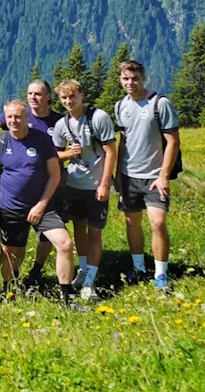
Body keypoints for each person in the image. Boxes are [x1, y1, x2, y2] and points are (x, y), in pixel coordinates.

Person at [0, 100, 77, 306]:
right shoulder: (0, 142)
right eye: (9, 117)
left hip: (42, 206)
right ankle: (9, 290)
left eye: (18, 116)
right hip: (10, 207)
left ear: (27, 118)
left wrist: (41, 205)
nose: (14, 121)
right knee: (10, 252)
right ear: (5, 119)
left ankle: (67, 298)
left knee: (65, 244)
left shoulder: (42, 140)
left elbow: (54, 175)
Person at [114, 59, 181, 291]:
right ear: (120, 80)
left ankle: (161, 274)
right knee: (132, 222)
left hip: (154, 176)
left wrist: (164, 175)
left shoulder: (159, 103)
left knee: (158, 223)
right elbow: (123, 141)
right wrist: (117, 174)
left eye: (135, 78)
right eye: (126, 79)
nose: (130, 82)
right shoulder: (120, 105)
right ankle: (139, 268)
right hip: (128, 175)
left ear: (143, 78)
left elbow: (173, 141)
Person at [51, 80, 118, 301]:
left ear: (82, 95)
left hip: (96, 185)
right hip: (74, 184)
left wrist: (105, 184)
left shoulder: (99, 118)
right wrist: (69, 154)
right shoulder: (62, 124)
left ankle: (91, 281)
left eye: (72, 97)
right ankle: (83, 270)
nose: (69, 102)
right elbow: (55, 155)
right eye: (64, 98)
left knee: (95, 233)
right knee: (79, 227)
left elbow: (110, 152)